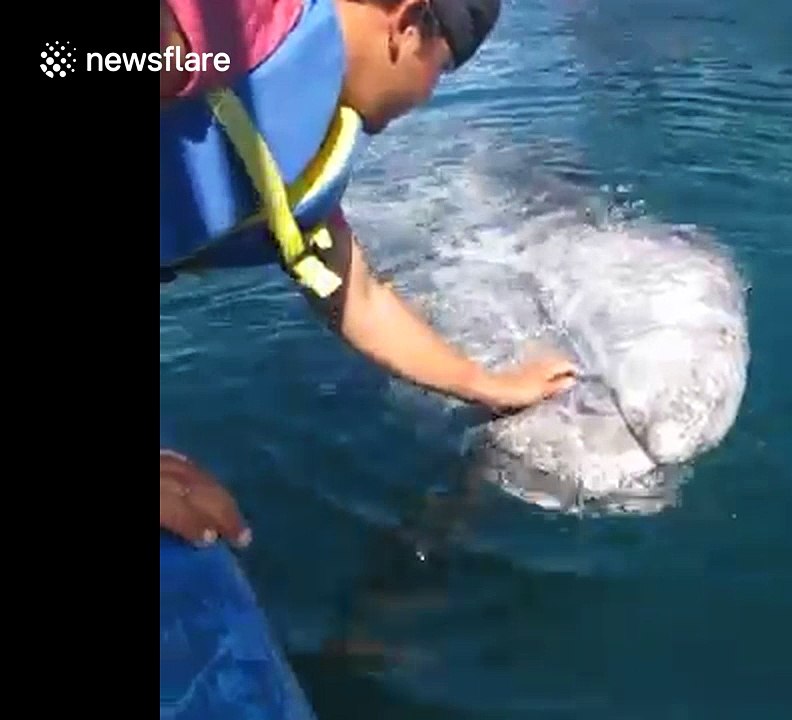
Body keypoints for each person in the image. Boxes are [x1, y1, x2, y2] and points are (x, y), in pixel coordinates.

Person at [159, 0, 578, 549]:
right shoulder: (237, 24)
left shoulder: (300, 157)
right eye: (442, 67)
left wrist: (489, 385)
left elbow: (359, 297)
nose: (430, 93)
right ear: (406, 24)